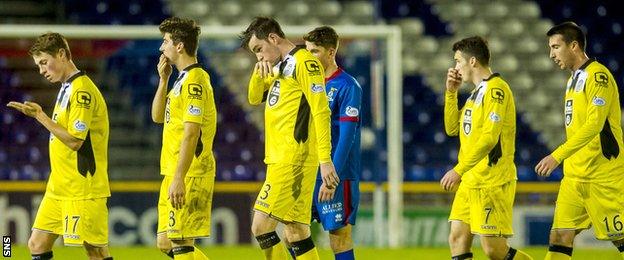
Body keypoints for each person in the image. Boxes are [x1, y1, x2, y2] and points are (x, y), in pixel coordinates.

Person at [239, 17, 340, 260]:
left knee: (260, 226)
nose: (259, 56)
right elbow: (254, 97)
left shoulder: (304, 62)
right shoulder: (281, 66)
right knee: (296, 232)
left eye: (259, 49)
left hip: (292, 160)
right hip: (280, 160)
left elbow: (320, 110)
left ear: (273, 38)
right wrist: (258, 72)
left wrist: (325, 160)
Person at [7, 32, 113, 260]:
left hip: (82, 188)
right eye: (38, 65)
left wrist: (40, 116)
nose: (41, 70)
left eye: (44, 62)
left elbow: (75, 140)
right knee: (37, 244)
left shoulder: (82, 91)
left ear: (62, 54)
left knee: (95, 251)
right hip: (59, 187)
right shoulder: (66, 88)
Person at [535, 21, 624, 260]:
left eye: (555, 47)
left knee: (620, 238)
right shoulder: (573, 79)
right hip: (574, 177)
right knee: (559, 237)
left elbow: (594, 126)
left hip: (602, 176)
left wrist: (557, 155)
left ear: (573, 45)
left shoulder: (598, 76)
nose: (551, 54)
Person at [441, 36, 532, 260]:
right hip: (471, 181)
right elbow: (452, 128)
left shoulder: (497, 90)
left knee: (494, 250)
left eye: (457, 61)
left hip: (492, 180)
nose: (455, 67)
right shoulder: (475, 95)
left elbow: (490, 138)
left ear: (472, 62)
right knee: (457, 238)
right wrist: (451, 92)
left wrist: (458, 169)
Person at [151, 17, 216, 260]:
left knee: (180, 240)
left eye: (165, 41)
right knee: (165, 242)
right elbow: (157, 116)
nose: (161, 47)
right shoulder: (180, 80)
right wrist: (163, 79)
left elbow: (191, 133)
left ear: (179, 46)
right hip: (173, 169)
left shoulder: (195, 81)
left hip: (190, 171)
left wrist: (179, 178)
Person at [302, 26, 361, 260]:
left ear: (330, 52)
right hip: (308, 171)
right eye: (307, 51)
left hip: (336, 173)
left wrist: (331, 178)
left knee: (339, 236)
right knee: (292, 232)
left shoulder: (348, 85)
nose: (309, 57)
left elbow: (347, 135)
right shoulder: (305, 83)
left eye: (314, 51)